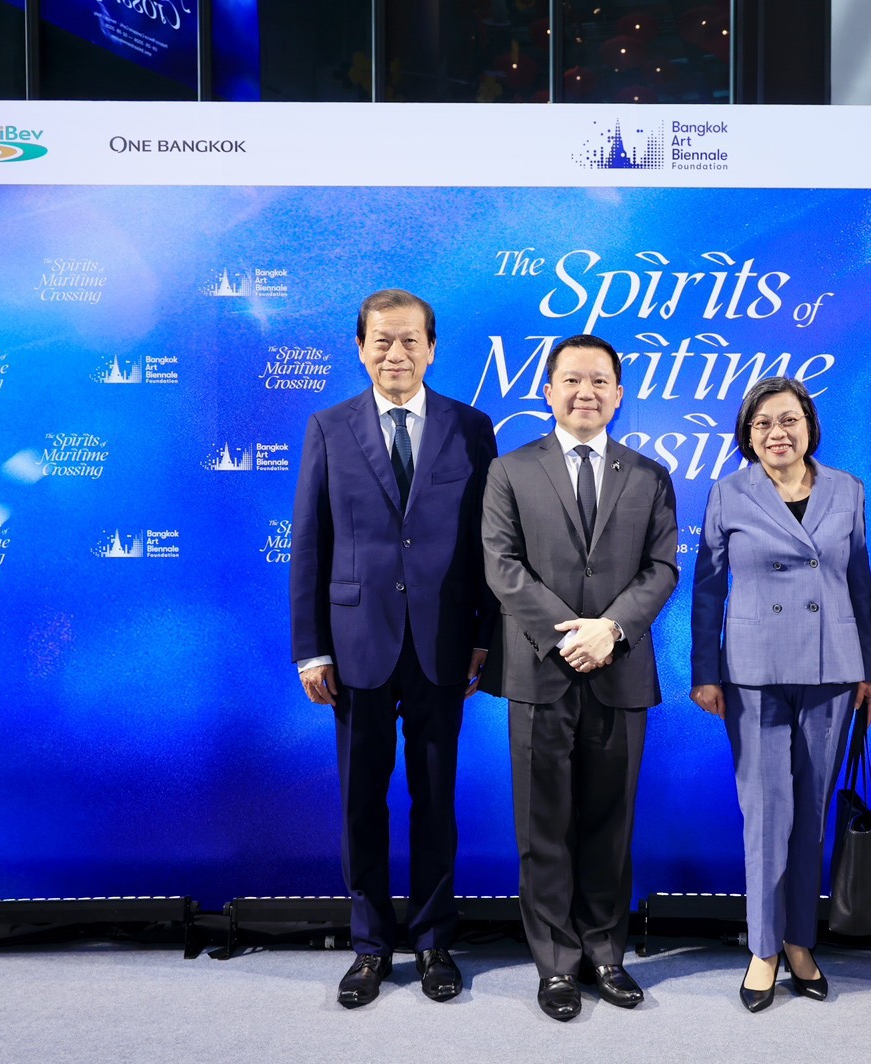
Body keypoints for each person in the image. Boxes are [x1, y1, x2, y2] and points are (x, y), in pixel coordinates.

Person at [290, 289, 497, 1009]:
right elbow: (309, 543)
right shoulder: (328, 427)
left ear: (431, 349)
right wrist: (311, 649)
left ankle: (435, 940)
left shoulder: (471, 428)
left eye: (410, 340)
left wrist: (484, 635)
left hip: (444, 644)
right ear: (360, 348)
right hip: (356, 646)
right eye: (381, 341)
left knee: (435, 800)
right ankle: (370, 945)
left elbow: (488, 542)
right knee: (361, 802)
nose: (396, 353)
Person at [479, 334, 679, 1022]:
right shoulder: (509, 470)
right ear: (548, 390)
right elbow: (501, 565)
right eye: (571, 380)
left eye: (599, 381)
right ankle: (556, 965)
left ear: (619, 395)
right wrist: (570, 635)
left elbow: (662, 568)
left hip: (619, 671)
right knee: (542, 828)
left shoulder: (650, 475)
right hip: (541, 670)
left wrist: (611, 629)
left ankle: (605, 953)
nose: (585, 392)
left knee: (609, 824)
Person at [690, 377, 871, 1012]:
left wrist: (868, 669)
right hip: (753, 671)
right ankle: (764, 948)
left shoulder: (848, 489)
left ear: (809, 426)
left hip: (832, 669)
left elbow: (860, 584)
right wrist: (705, 670)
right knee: (766, 816)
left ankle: (801, 941)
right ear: (747, 435)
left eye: (789, 419)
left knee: (812, 815)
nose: (778, 432)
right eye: (763, 423)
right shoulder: (728, 492)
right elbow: (708, 588)